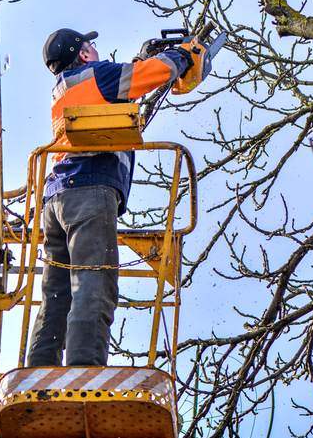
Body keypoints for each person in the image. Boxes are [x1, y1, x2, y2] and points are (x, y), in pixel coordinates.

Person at [25, 28, 193, 367]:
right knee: (93, 284)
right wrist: (181, 57)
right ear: (84, 54)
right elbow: (153, 75)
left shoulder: (68, 87)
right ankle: (84, 373)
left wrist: (140, 61)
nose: (97, 51)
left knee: (56, 295)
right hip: (89, 191)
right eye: (92, 46)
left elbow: (117, 93)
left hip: (56, 198)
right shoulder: (96, 75)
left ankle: (38, 371)